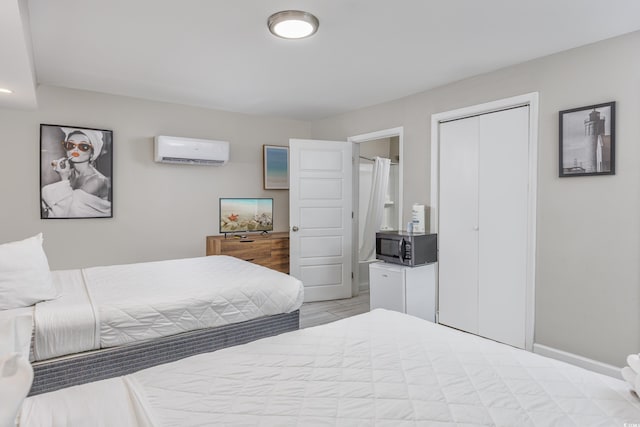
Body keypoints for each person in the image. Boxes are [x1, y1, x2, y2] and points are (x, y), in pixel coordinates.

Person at [41, 128, 111, 218]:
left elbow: (68, 212)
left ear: (92, 154)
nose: (75, 149)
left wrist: (64, 179)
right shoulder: (69, 173)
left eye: (83, 146)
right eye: (71, 145)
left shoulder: (96, 181)